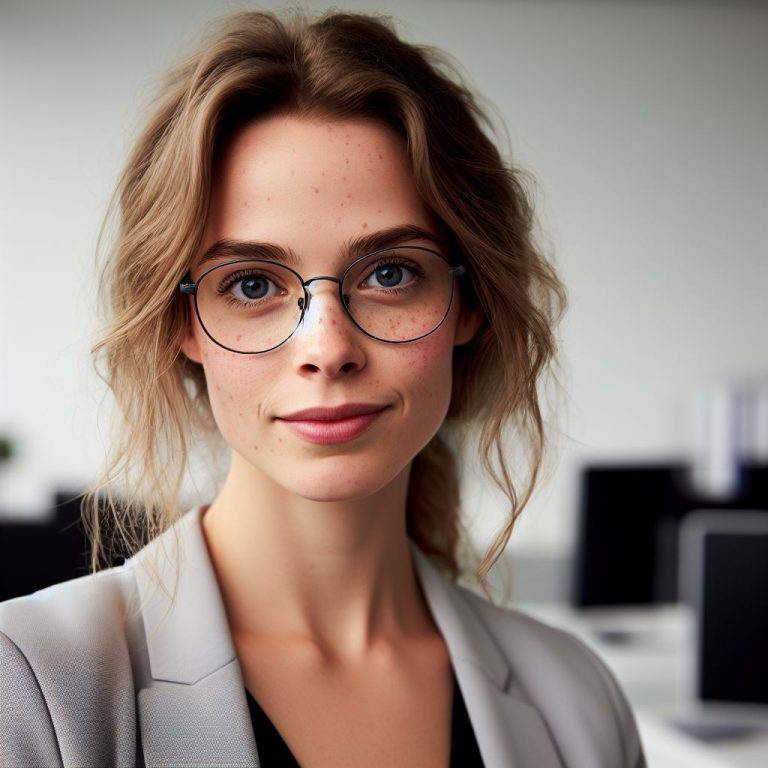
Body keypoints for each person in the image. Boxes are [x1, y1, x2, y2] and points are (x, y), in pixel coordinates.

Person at [0, 10, 645, 768]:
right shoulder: (33, 684)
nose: (329, 349)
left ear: (472, 302)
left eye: (391, 273)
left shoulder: (579, 702)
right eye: (250, 284)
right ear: (182, 323)